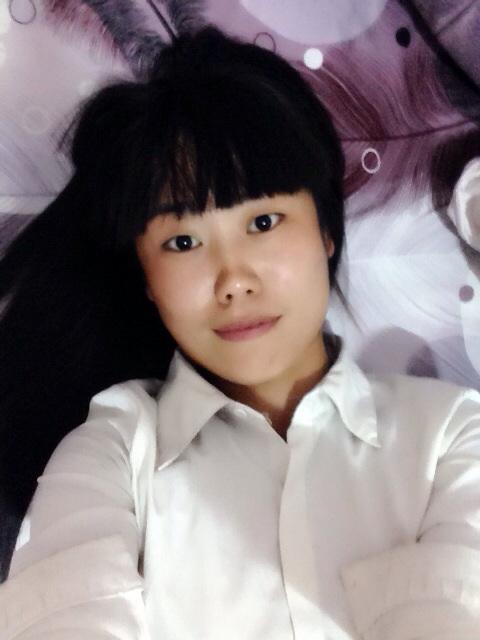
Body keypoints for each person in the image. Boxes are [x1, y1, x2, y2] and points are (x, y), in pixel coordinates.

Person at [0, 24, 479, 640]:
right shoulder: (115, 449)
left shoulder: (449, 434)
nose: (233, 280)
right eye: (182, 242)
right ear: (146, 277)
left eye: (263, 222)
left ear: (325, 231)